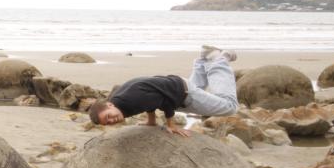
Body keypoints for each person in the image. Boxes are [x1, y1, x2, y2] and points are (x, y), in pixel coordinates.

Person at [88, 46, 239, 137]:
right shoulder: (119, 102)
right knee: (195, 89)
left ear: (109, 105)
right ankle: (204, 59)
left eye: (108, 116)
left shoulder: (130, 101)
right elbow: (149, 101)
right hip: (173, 85)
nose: (112, 120)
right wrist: (151, 121)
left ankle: (219, 60)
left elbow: (163, 101)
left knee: (230, 106)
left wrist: (171, 125)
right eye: (107, 123)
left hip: (182, 93)